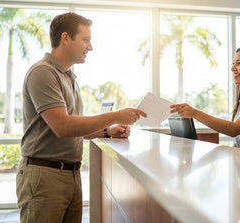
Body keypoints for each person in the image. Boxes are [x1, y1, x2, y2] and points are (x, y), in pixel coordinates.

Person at [16, 12, 146, 223]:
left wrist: (107, 131)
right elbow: (63, 127)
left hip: (71, 175)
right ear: (65, 38)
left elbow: (74, 127)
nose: (90, 47)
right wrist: (115, 115)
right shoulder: (43, 73)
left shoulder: (68, 77)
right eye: (86, 40)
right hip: (45, 176)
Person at [170, 45, 240, 153]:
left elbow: (234, 129)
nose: (233, 68)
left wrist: (194, 113)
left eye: (239, 63)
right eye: (233, 63)